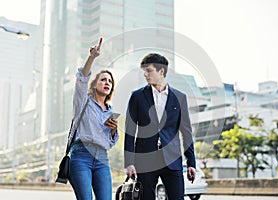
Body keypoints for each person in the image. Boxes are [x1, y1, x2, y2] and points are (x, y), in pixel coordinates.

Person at [124, 53, 197, 200]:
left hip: (172, 159)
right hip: (145, 159)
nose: (145, 74)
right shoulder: (137, 96)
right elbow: (130, 131)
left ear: (161, 71)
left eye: (149, 70)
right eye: (144, 71)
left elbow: (186, 132)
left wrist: (191, 163)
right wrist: (129, 162)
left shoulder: (179, 97)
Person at [69, 37, 119, 200]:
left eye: (110, 81)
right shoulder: (83, 101)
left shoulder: (110, 111)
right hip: (81, 155)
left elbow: (111, 142)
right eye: (103, 79)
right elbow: (81, 79)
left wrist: (113, 130)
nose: (107, 82)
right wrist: (92, 57)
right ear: (94, 84)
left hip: (102, 158)